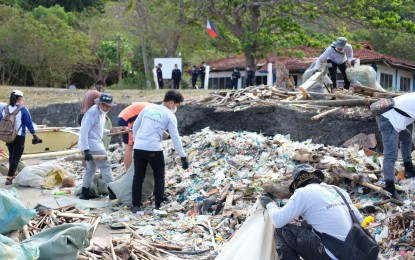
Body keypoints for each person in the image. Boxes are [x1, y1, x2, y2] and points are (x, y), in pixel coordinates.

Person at [260, 164, 363, 260]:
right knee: (305, 224)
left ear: (296, 184)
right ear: (316, 177)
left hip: (333, 254)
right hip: (354, 252)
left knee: (282, 231)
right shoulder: (338, 190)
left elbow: (277, 221)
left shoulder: (303, 192)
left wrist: (270, 204)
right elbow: (359, 220)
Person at [131, 90, 189, 213]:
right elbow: (175, 138)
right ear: (172, 103)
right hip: (154, 150)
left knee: (138, 177)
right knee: (159, 175)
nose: (176, 108)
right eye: (177, 105)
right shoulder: (170, 115)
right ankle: (158, 204)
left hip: (139, 148)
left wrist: (138, 142)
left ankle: (135, 206)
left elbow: (135, 126)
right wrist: (183, 156)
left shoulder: (148, 107)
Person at [78, 93, 118, 200]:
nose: (106, 108)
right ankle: (112, 192)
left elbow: (97, 130)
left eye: (108, 106)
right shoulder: (93, 113)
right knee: (106, 167)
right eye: (104, 105)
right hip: (94, 145)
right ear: (99, 103)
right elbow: (83, 130)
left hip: (94, 144)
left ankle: (85, 192)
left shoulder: (101, 112)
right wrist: (85, 149)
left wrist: (109, 131)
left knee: (91, 168)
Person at [376, 92, 415, 201]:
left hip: (392, 116)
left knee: (406, 137)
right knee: (390, 155)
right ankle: (390, 189)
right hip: (388, 119)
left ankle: (409, 169)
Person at [0, 90, 42, 185]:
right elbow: (29, 124)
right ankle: (9, 178)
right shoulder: (23, 109)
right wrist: (34, 135)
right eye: (22, 98)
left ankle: (12, 173)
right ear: (19, 98)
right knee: (16, 157)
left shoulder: (5, 109)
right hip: (19, 136)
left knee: (11, 155)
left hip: (8, 136)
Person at [116, 102, 151, 170]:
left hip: (126, 117)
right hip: (127, 120)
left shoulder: (156, 109)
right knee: (129, 147)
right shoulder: (157, 113)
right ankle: (128, 173)